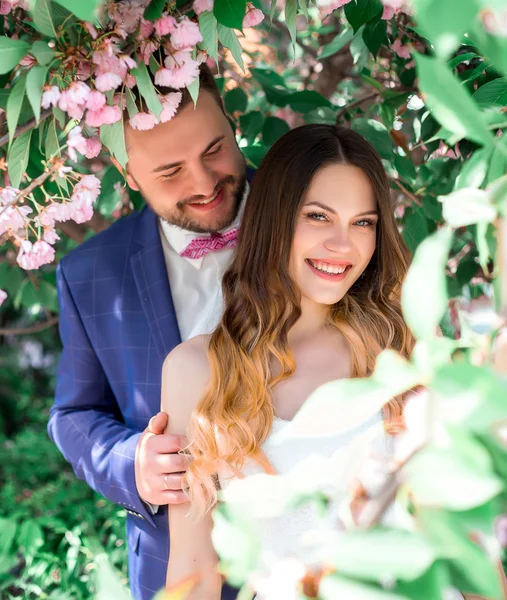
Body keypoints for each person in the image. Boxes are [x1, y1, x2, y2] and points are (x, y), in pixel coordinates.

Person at [161, 124, 416, 598]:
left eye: (364, 222)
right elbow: (194, 567)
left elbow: (465, 533)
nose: (345, 244)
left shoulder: (403, 348)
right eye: (319, 217)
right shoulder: (194, 370)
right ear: (275, 218)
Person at [48, 65, 248, 600]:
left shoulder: (311, 220)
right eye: (171, 171)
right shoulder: (89, 274)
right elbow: (72, 415)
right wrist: (132, 462)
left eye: (214, 151)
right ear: (126, 171)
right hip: (175, 564)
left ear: (230, 119)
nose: (204, 184)